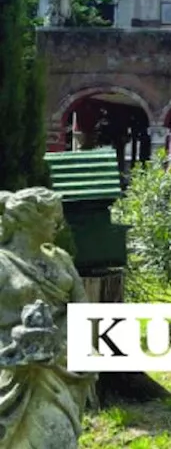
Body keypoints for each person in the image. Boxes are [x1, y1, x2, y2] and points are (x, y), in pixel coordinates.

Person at [0, 189, 97, 447]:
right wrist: (17, 348)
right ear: (26, 218)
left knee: (60, 438)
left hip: (60, 367)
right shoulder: (2, 263)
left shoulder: (61, 259)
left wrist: (67, 342)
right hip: (12, 373)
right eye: (52, 217)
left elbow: (83, 309)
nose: (58, 224)